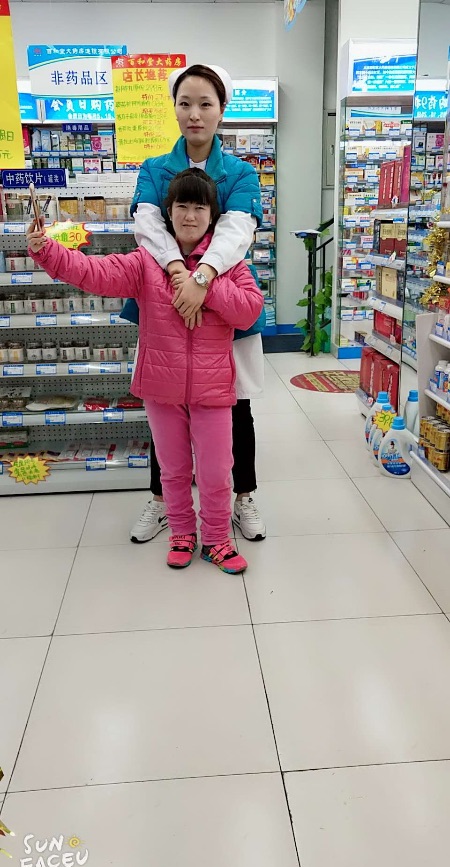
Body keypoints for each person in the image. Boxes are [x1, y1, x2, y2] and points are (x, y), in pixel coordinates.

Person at [27, 169, 264, 575]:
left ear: (213, 215)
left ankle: (217, 539)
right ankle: (181, 534)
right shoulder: (146, 263)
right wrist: (46, 250)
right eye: (181, 206)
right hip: (160, 387)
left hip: (213, 389)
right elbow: (94, 272)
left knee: (215, 471)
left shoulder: (228, 264)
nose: (190, 215)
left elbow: (249, 310)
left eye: (200, 207)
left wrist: (203, 284)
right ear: (168, 212)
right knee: (173, 470)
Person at [121, 63, 267, 545]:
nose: (195, 114)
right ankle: (163, 500)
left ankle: (242, 496)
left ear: (222, 109)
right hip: (165, 307)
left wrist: (203, 278)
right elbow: (147, 224)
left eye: (206, 104)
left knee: (235, 407)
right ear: (175, 108)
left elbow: (237, 230)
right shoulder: (154, 169)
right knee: (165, 407)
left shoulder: (241, 173)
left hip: (224, 304)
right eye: (185, 103)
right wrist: (177, 272)